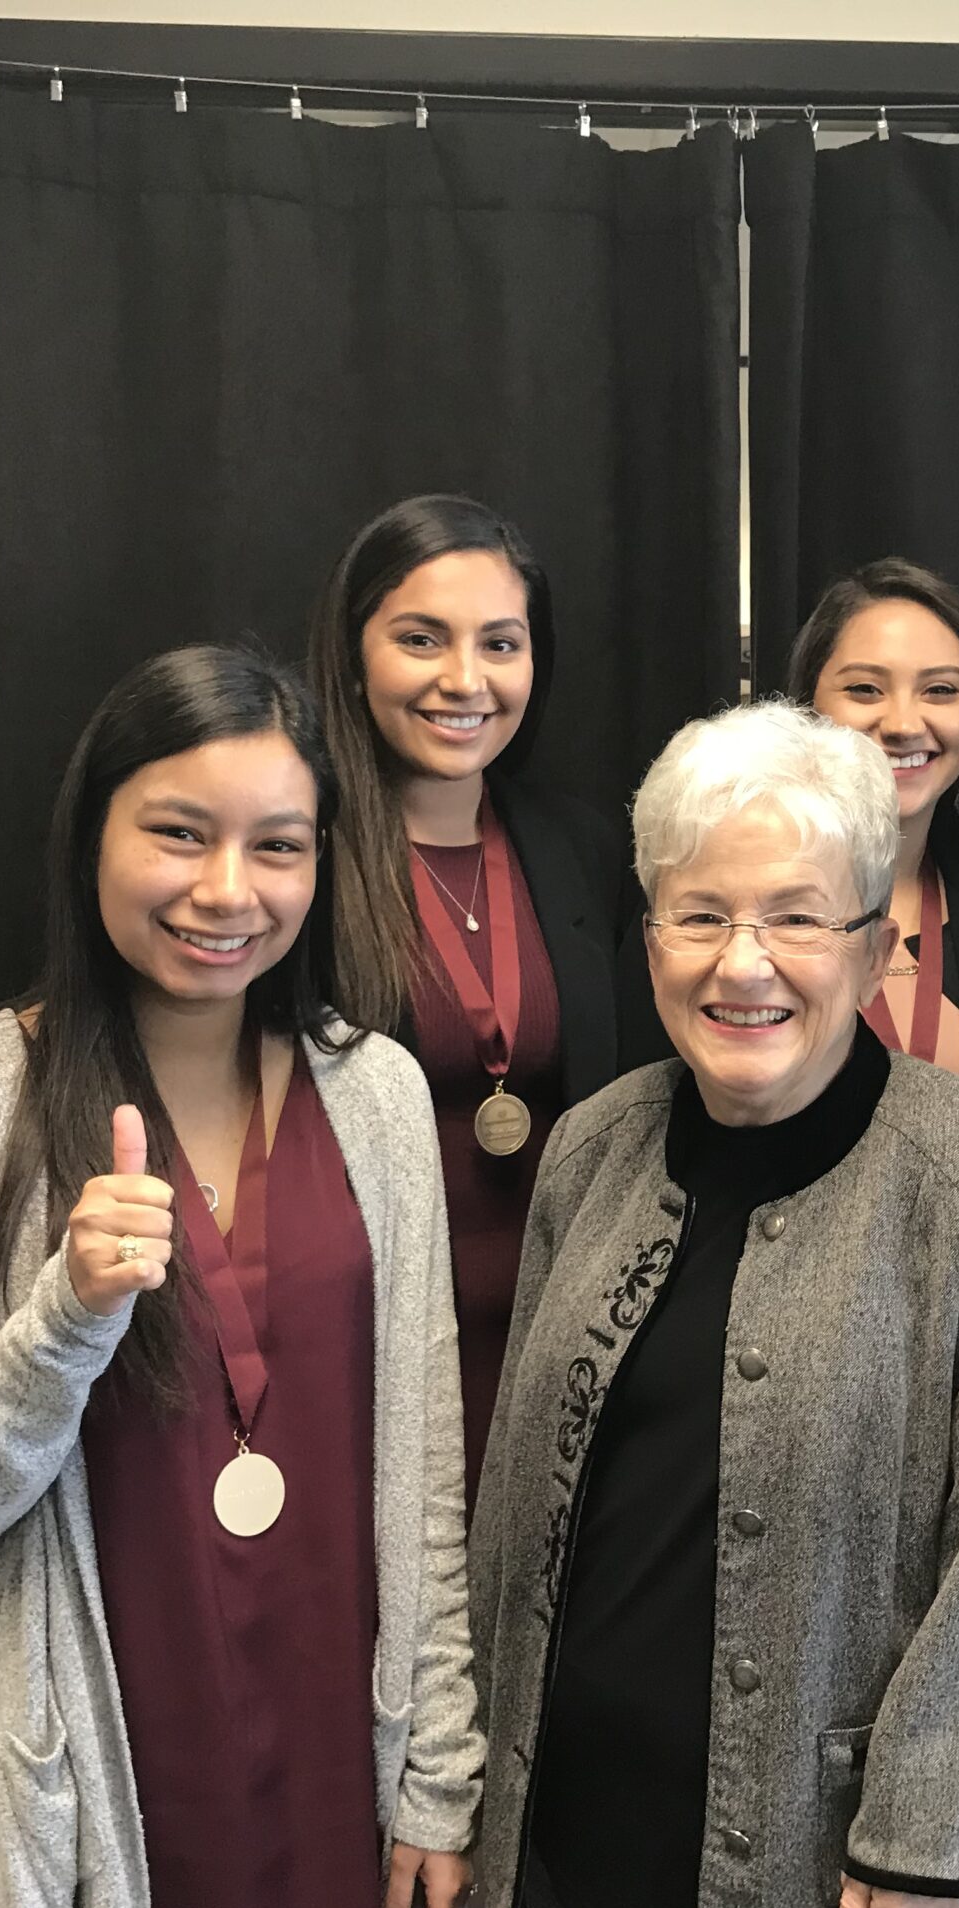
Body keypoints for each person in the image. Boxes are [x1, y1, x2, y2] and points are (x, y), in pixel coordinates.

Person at [0, 647, 477, 1908]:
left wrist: (439, 1776)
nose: (227, 890)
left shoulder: (380, 1096)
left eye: (279, 846)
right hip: (91, 1756)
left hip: (325, 1745)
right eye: (178, 835)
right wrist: (66, 1322)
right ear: (92, 836)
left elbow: (425, 1474)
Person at [471, 699, 959, 1908]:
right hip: (561, 1837)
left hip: (823, 1858)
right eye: (699, 915)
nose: (742, 963)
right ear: (650, 942)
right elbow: (512, 1507)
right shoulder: (591, 1150)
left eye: (796, 917)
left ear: (870, 945)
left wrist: (920, 1851)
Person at [309, 494, 632, 1500]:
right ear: (354, 654)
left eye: (500, 643)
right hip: (369, 1363)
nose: (464, 680)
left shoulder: (583, 850)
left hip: (556, 1357)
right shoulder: (295, 855)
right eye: (420, 639)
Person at [788, 558, 959, 1070]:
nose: (903, 723)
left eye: (940, 690)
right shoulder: (724, 908)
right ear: (807, 708)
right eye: (865, 689)